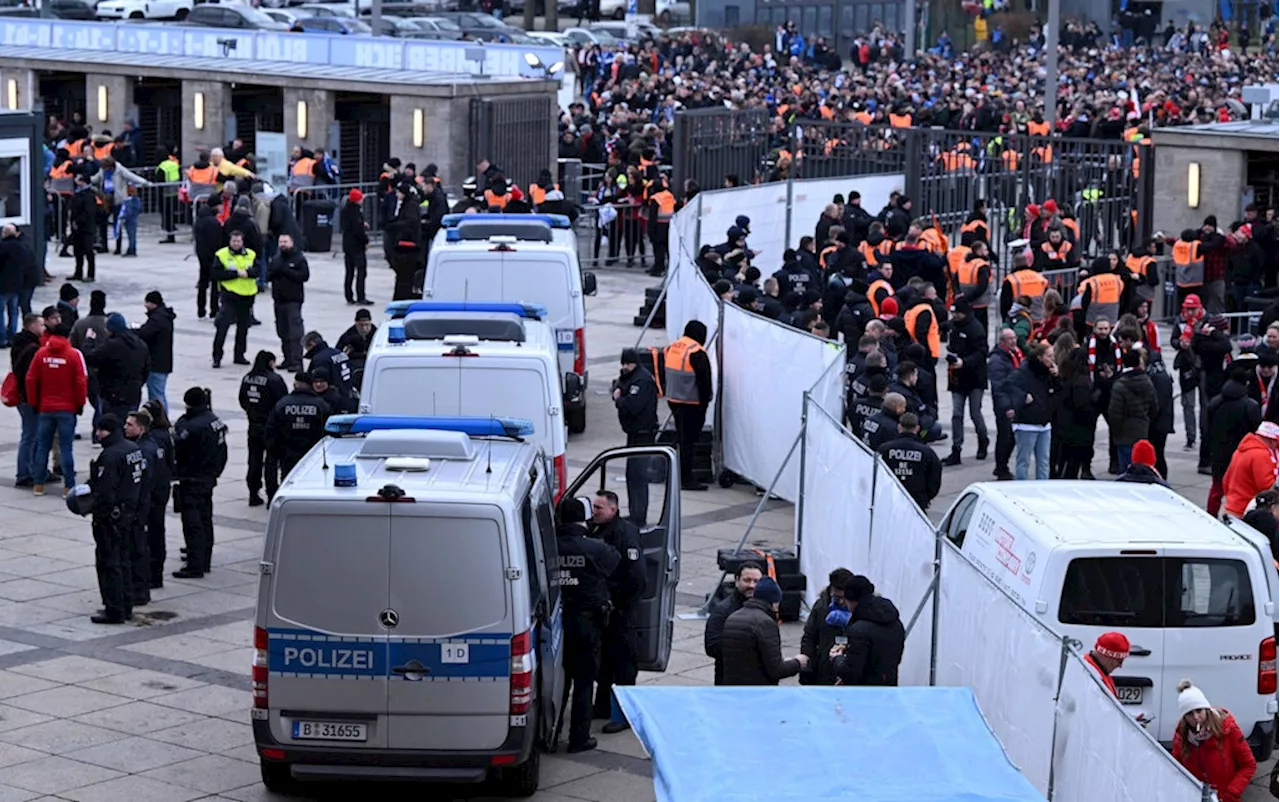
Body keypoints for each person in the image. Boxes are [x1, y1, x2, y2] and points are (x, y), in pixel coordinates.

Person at [554, 496, 618, 754]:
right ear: (584, 518)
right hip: (587, 625)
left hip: (554, 625)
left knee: (557, 682)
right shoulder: (596, 547)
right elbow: (615, 566)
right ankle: (578, 738)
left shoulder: (548, 546)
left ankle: (551, 733)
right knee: (583, 682)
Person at [589, 490, 646, 734]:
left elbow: (637, 577)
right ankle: (602, 706)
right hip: (605, 611)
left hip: (621, 611)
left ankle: (623, 715)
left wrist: (619, 604)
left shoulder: (624, 534)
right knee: (605, 663)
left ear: (613, 509)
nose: (594, 512)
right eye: (593, 507)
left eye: (598, 508)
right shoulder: (596, 529)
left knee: (623, 663)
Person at [87, 413, 143, 624]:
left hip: (110, 518)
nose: (97, 434)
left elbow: (105, 492)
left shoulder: (110, 456)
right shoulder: (133, 449)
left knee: (108, 563)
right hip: (129, 513)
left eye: (100, 431)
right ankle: (126, 604)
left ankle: (114, 609)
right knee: (124, 560)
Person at [27, 321, 87, 497]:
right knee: (66, 448)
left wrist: (34, 403)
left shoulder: (41, 354)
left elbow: (31, 379)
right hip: (67, 409)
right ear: (67, 336)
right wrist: (79, 404)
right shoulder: (73, 355)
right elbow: (80, 382)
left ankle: (38, 485)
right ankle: (68, 486)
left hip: (45, 408)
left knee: (43, 447)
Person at [172, 387, 228, 579]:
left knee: (192, 522)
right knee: (205, 519)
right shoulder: (214, 420)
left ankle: (194, 564)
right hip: (208, 477)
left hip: (193, 477)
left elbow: (179, 447)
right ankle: (204, 558)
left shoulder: (192, 426)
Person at [1172, 681, 1256, 802]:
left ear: (1206, 709)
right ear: (1184, 717)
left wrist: (1231, 794)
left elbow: (1248, 765)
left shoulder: (1228, 729)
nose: (1196, 717)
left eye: (1199, 711)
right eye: (1190, 714)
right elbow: (1175, 769)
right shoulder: (1181, 735)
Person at [720, 576, 807, 685]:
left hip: (733, 688)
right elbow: (776, 670)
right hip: (758, 691)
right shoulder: (766, 623)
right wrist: (798, 663)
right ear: (774, 602)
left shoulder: (732, 617)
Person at [829, 575, 905, 686]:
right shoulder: (895, 622)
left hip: (865, 692)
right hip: (889, 685)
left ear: (851, 601)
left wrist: (837, 659)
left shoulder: (859, 630)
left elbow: (850, 672)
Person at [664, 320, 713, 491]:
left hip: (673, 399)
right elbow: (705, 382)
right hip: (691, 403)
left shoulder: (674, 346)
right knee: (688, 442)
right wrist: (704, 405)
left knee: (681, 438)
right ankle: (686, 478)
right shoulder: (696, 352)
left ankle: (674, 472)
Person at [1209, 366, 1264, 516]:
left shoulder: (1215, 401)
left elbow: (1207, 427)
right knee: (1240, 490)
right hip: (1240, 453)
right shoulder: (1250, 406)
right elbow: (1256, 431)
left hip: (1219, 452)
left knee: (1216, 489)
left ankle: (1210, 516)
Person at [612, 348, 658, 526]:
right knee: (632, 475)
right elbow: (619, 384)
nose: (624, 367)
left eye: (627, 364)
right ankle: (635, 513)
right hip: (634, 434)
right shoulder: (630, 377)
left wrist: (619, 399)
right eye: (623, 364)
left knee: (639, 476)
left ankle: (639, 516)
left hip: (643, 435)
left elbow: (633, 406)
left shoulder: (642, 380)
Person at [264, 371, 329, 490]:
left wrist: (273, 447)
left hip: (288, 452)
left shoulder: (283, 403)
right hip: (312, 453)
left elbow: (272, 427)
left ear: (295, 384)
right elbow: (328, 430)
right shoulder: (320, 404)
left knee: (288, 481)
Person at [943, 297, 989, 466]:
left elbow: (982, 353)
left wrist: (965, 362)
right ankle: (956, 449)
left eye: (957, 313)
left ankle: (983, 440)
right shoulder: (953, 326)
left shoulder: (976, 328)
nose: (954, 316)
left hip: (974, 377)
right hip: (957, 377)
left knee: (975, 413)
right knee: (957, 414)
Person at [239, 350, 288, 506]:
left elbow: (242, 399)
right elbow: (283, 402)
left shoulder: (248, 378)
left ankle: (253, 492)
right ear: (270, 362)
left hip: (253, 425)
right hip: (271, 427)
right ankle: (271, 493)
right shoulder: (274, 379)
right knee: (271, 462)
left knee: (254, 460)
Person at [704, 561, 762, 686]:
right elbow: (712, 646)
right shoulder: (722, 610)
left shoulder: (765, 607)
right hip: (730, 681)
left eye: (756, 581)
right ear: (737, 581)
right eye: (747, 580)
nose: (752, 585)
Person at [1008, 342, 1059, 480]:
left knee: (1044, 461)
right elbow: (1008, 386)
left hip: (1044, 423)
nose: (1052, 359)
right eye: (1049, 356)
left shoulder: (1049, 373)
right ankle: (1021, 488)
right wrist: (1022, 397)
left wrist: (1056, 377)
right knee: (1023, 460)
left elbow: (1058, 393)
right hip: (1026, 423)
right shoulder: (1024, 372)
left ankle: (1042, 488)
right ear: (1039, 357)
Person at [210, 230, 258, 369]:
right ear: (229, 241)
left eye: (238, 241)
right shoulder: (221, 255)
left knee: (243, 328)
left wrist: (248, 273)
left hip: (247, 296)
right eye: (233, 241)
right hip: (229, 296)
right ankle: (217, 357)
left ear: (242, 242)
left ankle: (239, 355)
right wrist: (236, 273)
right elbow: (216, 273)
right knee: (222, 327)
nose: (236, 243)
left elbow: (257, 271)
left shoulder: (251, 254)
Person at [799, 567, 855, 686]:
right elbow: (809, 637)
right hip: (824, 670)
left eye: (844, 598)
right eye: (837, 597)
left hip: (849, 670)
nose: (840, 602)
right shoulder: (821, 607)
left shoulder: (859, 610)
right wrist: (807, 669)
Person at [123, 409, 157, 607]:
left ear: (141, 428)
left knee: (137, 548)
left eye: (130, 425)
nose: (125, 427)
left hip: (139, 507)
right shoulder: (146, 446)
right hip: (143, 505)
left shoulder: (143, 451)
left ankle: (139, 589)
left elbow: (143, 481)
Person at [876, 412, 943, 510]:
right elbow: (935, 478)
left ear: (899, 427)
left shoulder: (884, 449)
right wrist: (926, 496)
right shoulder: (927, 452)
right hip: (917, 501)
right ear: (917, 428)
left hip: (889, 499)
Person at [1107, 348, 1159, 471]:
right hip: (1141, 431)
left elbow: (1114, 414)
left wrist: (1116, 431)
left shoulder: (1119, 385)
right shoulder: (1147, 381)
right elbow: (1154, 408)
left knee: (1126, 469)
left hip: (1124, 434)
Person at [140, 399, 173, 589]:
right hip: (161, 489)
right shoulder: (164, 434)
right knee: (157, 530)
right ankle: (155, 573)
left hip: (155, 491)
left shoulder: (154, 438)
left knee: (153, 532)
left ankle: (154, 573)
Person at [11, 313, 44, 488]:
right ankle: (24, 473)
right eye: (41, 325)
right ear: (32, 326)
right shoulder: (32, 348)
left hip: (22, 396)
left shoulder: (18, 342)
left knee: (32, 434)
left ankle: (32, 470)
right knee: (30, 435)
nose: (43, 328)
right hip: (29, 397)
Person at [268, 233, 309, 373]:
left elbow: (304, 276)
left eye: (285, 241)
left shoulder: (299, 259)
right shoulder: (276, 259)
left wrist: (287, 271)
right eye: (280, 242)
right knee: (282, 331)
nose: (283, 244)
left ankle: (297, 361)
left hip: (293, 300)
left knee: (295, 333)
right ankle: (288, 358)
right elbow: (269, 274)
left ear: (292, 243)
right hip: (278, 300)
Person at [1222, 421, 1280, 518]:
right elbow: (1266, 486)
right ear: (1271, 440)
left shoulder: (1242, 450)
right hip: (1246, 510)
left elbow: (1226, 480)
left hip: (1232, 506)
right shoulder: (1261, 455)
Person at [986, 327, 1022, 481]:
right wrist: (1007, 407)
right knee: (1005, 437)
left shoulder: (1014, 354)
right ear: (1002, 342)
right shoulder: (997, 361)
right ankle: (1001, 467)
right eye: (1010, 339)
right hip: (1005, 406)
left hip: (1015, 402)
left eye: (1014, 338)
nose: (1014, 341)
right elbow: (999, 387)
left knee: (1011, 437)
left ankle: (1002, 466)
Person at [136, 291, 174, 412]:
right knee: (159, 393)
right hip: (163, 362)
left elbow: (144, 333)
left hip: (157, 363)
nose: (145, 305)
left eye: (147, 302)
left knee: (156, 395)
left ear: (153, 304)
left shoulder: (157, 319)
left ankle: (162, 420)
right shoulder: (163, 316)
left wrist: (132, 331)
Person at [340, 188, 371, 305]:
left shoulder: (345, 210)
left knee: (349, 272)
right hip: (356, 246)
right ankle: (361, 297)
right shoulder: (356, 212)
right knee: (361, 271)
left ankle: (349, 296)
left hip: (347, 245)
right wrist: (366, 241)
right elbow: (357, 230)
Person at [193, 203, 223, 319]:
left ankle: (201, 310)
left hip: (202, 255)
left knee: (203, 283)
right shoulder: (213, 223)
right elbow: (216, 241)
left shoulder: (199, 220)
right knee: (215, 284)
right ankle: (214, 309)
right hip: (212, 256)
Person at [303, 331, 353, 402]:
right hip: (348, 391)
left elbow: (315, 380)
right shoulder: (339, 352)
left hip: (333, 397)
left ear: (312, 344)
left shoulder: (319, 359)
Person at [68, 172, 98, 281]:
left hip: (86, 228)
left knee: (88, 251)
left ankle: (90, 274)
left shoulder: (89, 195)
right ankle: (78, 272)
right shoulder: (78, 193)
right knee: (78, 252)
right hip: (77, 228)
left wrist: (78, 221)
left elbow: (88, 212)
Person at [1084, 631, 1129, 697]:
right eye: (1119, 661)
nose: (1120, 666)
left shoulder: (1095, 671)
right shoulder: (1089, 680)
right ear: (1108, 656)